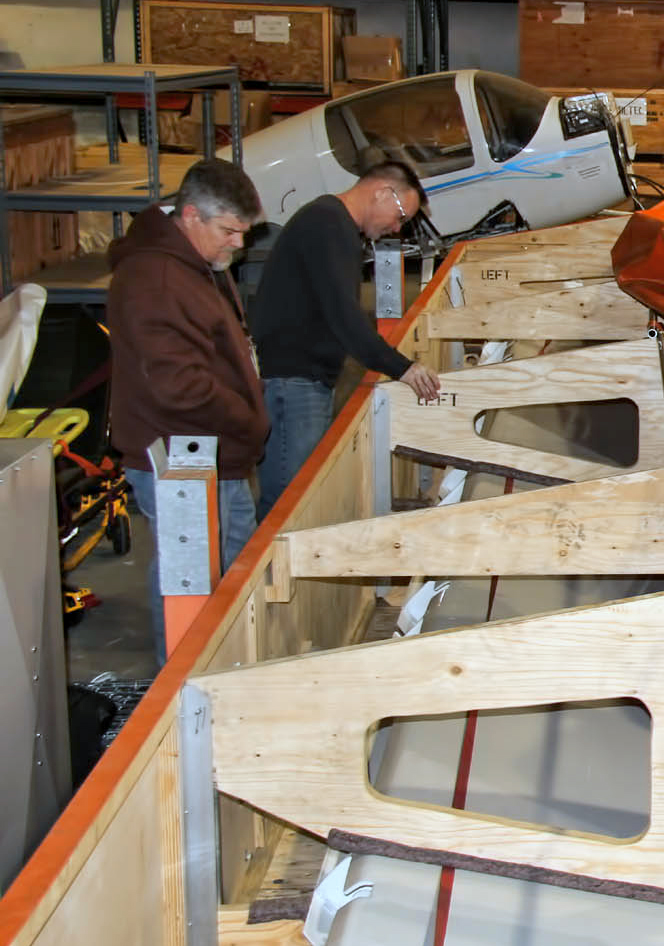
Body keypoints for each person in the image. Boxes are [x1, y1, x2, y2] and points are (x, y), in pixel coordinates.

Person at [107, 157, 270, 664]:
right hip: (186, 460)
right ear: (192, 216)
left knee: (219, 579)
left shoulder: (193, 264)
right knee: (192, 585)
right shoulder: (156, 278)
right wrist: (248, 421)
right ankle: (183, 690)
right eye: (229, 231)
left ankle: (211, 672)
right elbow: (179, 385)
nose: (238, 245)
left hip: (217, 454)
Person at [252, 160, 441, 516]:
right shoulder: (327, 224)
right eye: (400, 217)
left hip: (303, 380)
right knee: (287, 508)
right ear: (383, 192)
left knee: (296, 498)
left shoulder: (331, 224)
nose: (396, 229)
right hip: (293, 382)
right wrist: (403, 368)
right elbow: (345, 317)